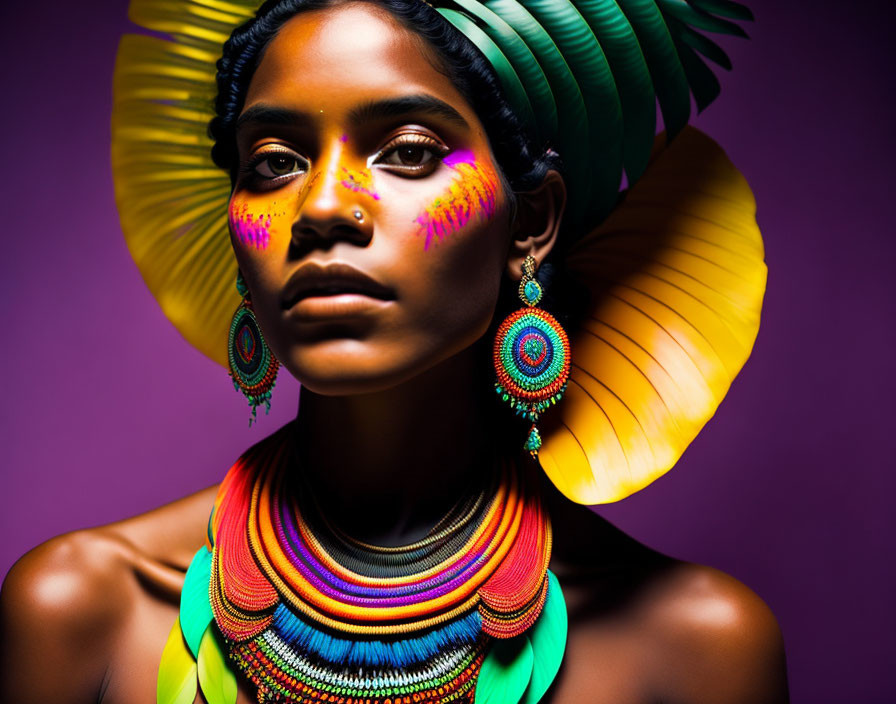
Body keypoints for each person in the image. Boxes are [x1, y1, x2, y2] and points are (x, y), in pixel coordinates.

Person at [0, 0, 788, 702]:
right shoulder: (84, 609)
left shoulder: (695, 651)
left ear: (530, 224)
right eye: (274, 163)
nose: (322, 208)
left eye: (407, 151)